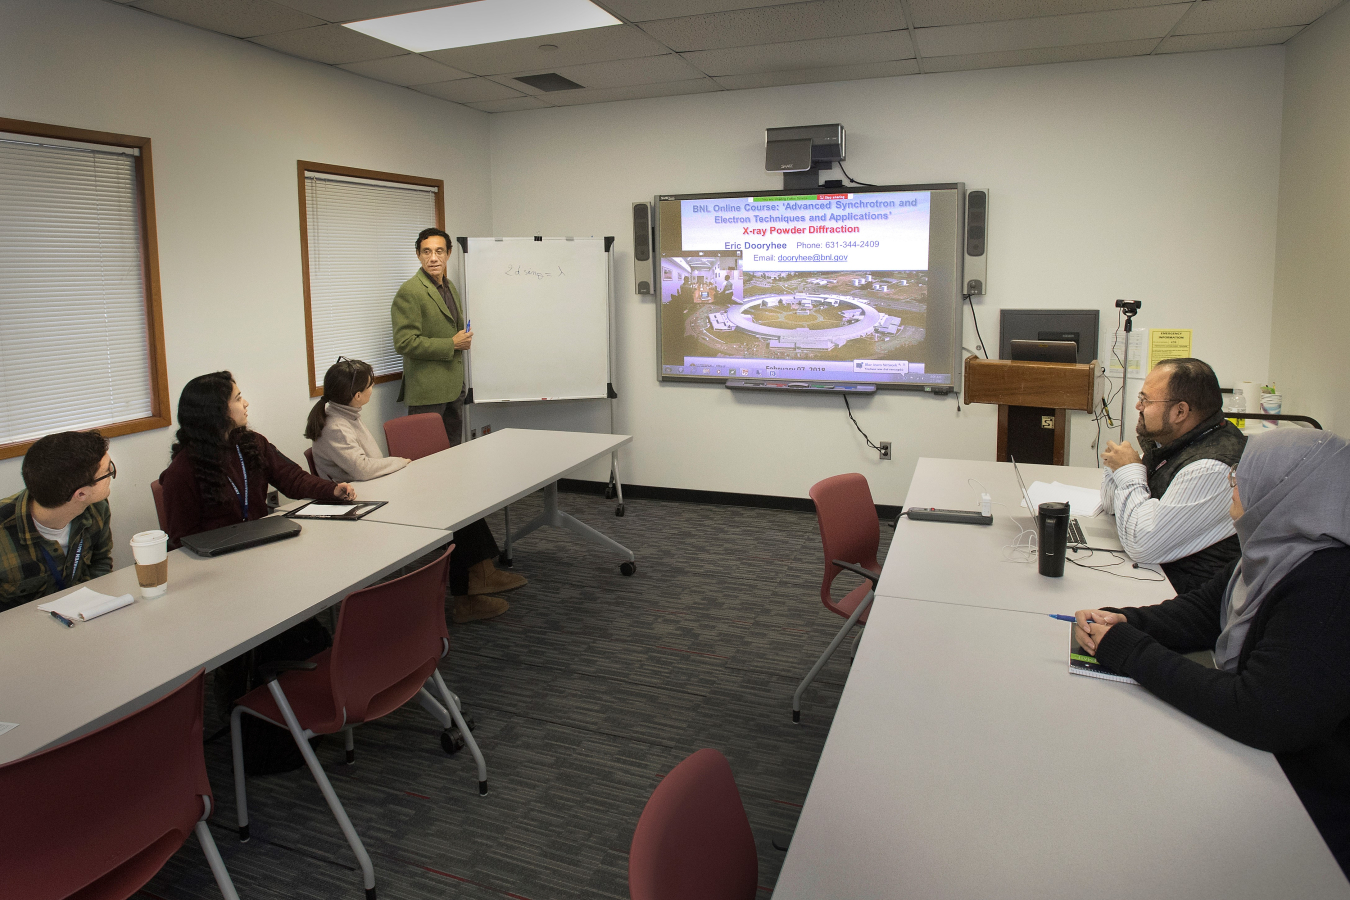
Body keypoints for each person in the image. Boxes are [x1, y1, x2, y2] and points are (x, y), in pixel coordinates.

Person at [1075, 428, 1350, 874]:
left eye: (1246, 472)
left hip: (1307, 814)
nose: (1233, 479)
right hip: (1264, 768)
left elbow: (1261, 711)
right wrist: (1127, 620)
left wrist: (1131, 651)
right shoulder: (1273, 546)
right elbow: (1205, 611)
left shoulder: (1329, 585)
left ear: (1286, 487)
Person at [390, 231, 527, 623]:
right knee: (444, 490)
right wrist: (450, 344)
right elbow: (405, 342)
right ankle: (467, 587)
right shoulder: (410, 291)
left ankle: (481, 573)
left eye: (439, 251)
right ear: (417, 254)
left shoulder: (448, 286)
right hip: (429, 394)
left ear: (449, 254)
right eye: (426, 252)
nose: (433, 258)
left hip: (452, 390)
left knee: (458, 485)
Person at [159, 371, 355, 548]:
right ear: (216, 411)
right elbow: (182, 540)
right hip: (218, 562)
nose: (245, 403)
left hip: (260, 546)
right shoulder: (181, 472)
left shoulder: (252, 443)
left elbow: (292, 478)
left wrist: (332, 489)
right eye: (237, 399)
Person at [1099, 357, 1246, 594]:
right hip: (1159, 576)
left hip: (1185, 598)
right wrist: (1124, 469)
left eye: (1145, 400)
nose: (1139, 407)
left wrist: (1129, 470)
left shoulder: (1212, 469)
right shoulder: (1174, 441)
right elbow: (1110, 505)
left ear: (1180, 411)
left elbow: (1142, 544)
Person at [0, 431, 115, 611]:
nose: (111, 475)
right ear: (81, 494)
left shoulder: (97, 509)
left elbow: (100, 561)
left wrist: (96, 606)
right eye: (108, 470)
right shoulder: (3, 533)